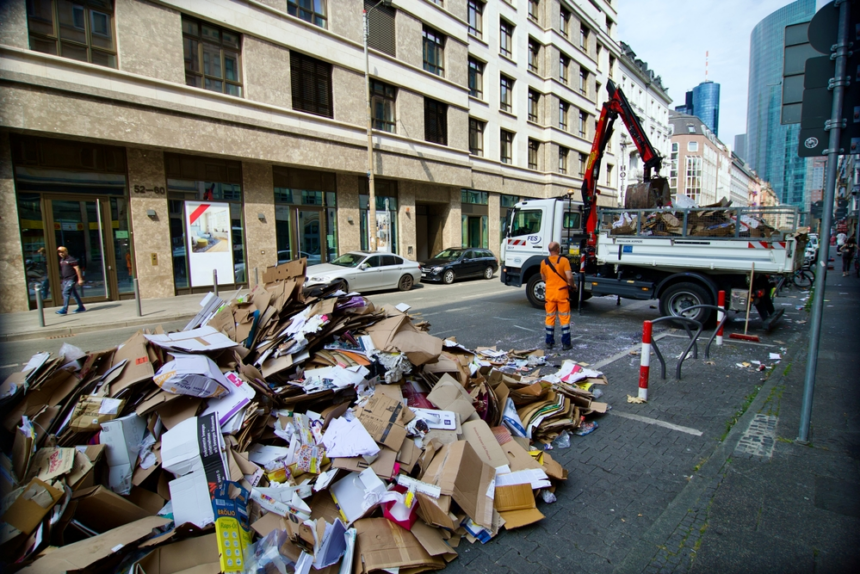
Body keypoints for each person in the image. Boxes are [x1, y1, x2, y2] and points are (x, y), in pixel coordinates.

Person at [540, 242, 575, 351]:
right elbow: (569, 277)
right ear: (558, 249)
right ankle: (566, 344)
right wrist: (572, 285)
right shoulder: (564, 261)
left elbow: (543, 278)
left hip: (550, 294)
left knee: (550, 317)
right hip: (562, 293)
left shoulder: (544, 262)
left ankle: (549, 342)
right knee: (564, 318)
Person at [56, 246, 85, 315]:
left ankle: (64, 309)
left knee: (65, 293)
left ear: (66, 252)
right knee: (74, 294)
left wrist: (80, 279)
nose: (61, 253)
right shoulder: (62, 260)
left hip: (71, 279)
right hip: (65, 280)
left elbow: (77, 269)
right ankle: (81, 307)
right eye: (59, 252)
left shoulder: (71, 259)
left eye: (62, 252)